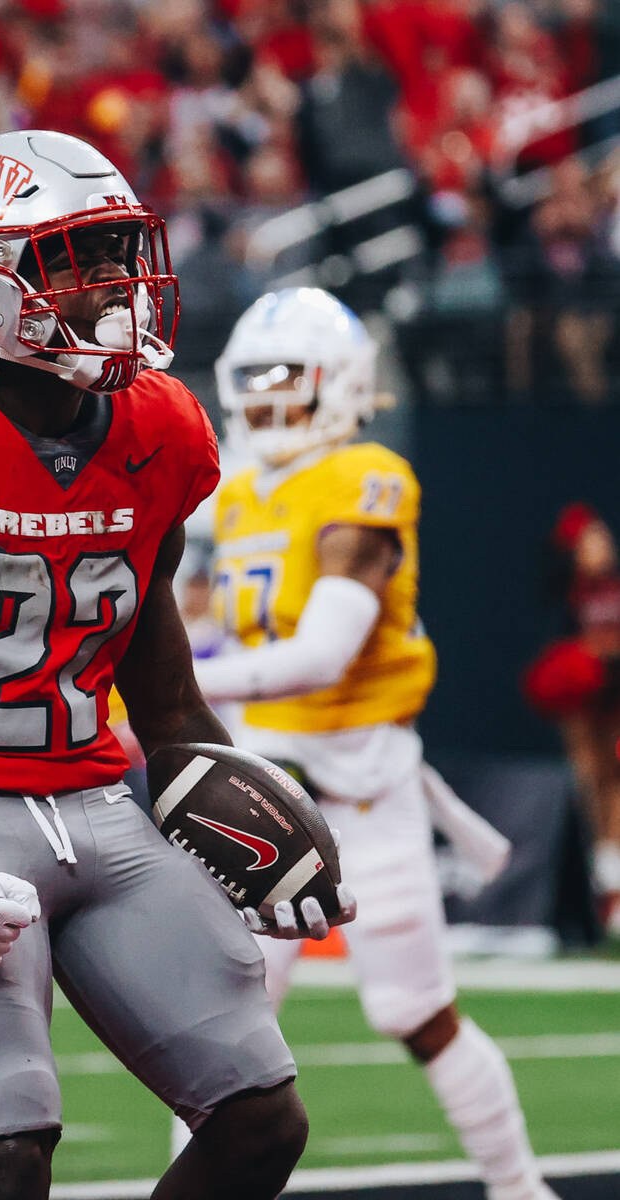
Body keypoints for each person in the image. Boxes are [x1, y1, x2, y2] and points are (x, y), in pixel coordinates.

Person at [0, 129, 353, 1200]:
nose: (116, 287)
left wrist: (242, 818)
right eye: (75, 260)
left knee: (260, 1123)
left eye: (118, 253)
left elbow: (170, 701)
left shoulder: (158, 427)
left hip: (95, 801)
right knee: (7, 1155)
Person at [193, 286, 557, 1200]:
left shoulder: (365, 476)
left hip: (366, 779)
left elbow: (320, 655)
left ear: (344, 384)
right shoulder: (236, 494)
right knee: (223, 1027)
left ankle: (519, 1188)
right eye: (257, 380)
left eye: (291, 378)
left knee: (415, 1010)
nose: (272, 399)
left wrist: (171, 683)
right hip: (261, 786)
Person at [523, 502, 620, 938]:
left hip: (615, 694)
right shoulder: (571, 593)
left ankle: (612, 877)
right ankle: (607, 885)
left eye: (600, 537)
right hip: (588, 700)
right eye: (588, 540)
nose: (600, 546)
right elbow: (561, 655)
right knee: (593, 783)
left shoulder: (615, 588)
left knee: (614, 782)